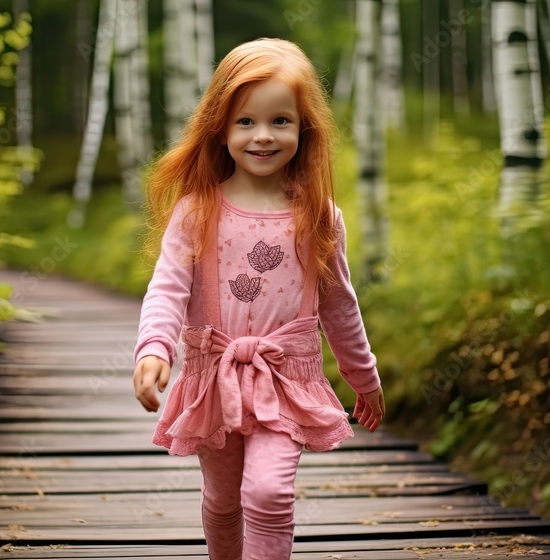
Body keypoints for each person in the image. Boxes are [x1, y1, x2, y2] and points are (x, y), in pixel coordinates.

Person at [132, 37, 385, 560]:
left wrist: (364, 377)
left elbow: (340, 305)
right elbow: (168, 286)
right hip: (214, 374)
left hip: (285, 378)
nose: (263, 136)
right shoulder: (197, 210)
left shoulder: (318, 216)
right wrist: (155, 347)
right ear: (220, 128)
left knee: (267, 493)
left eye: (280, 121)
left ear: (304, 128)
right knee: (223, 501)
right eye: (246, 121)